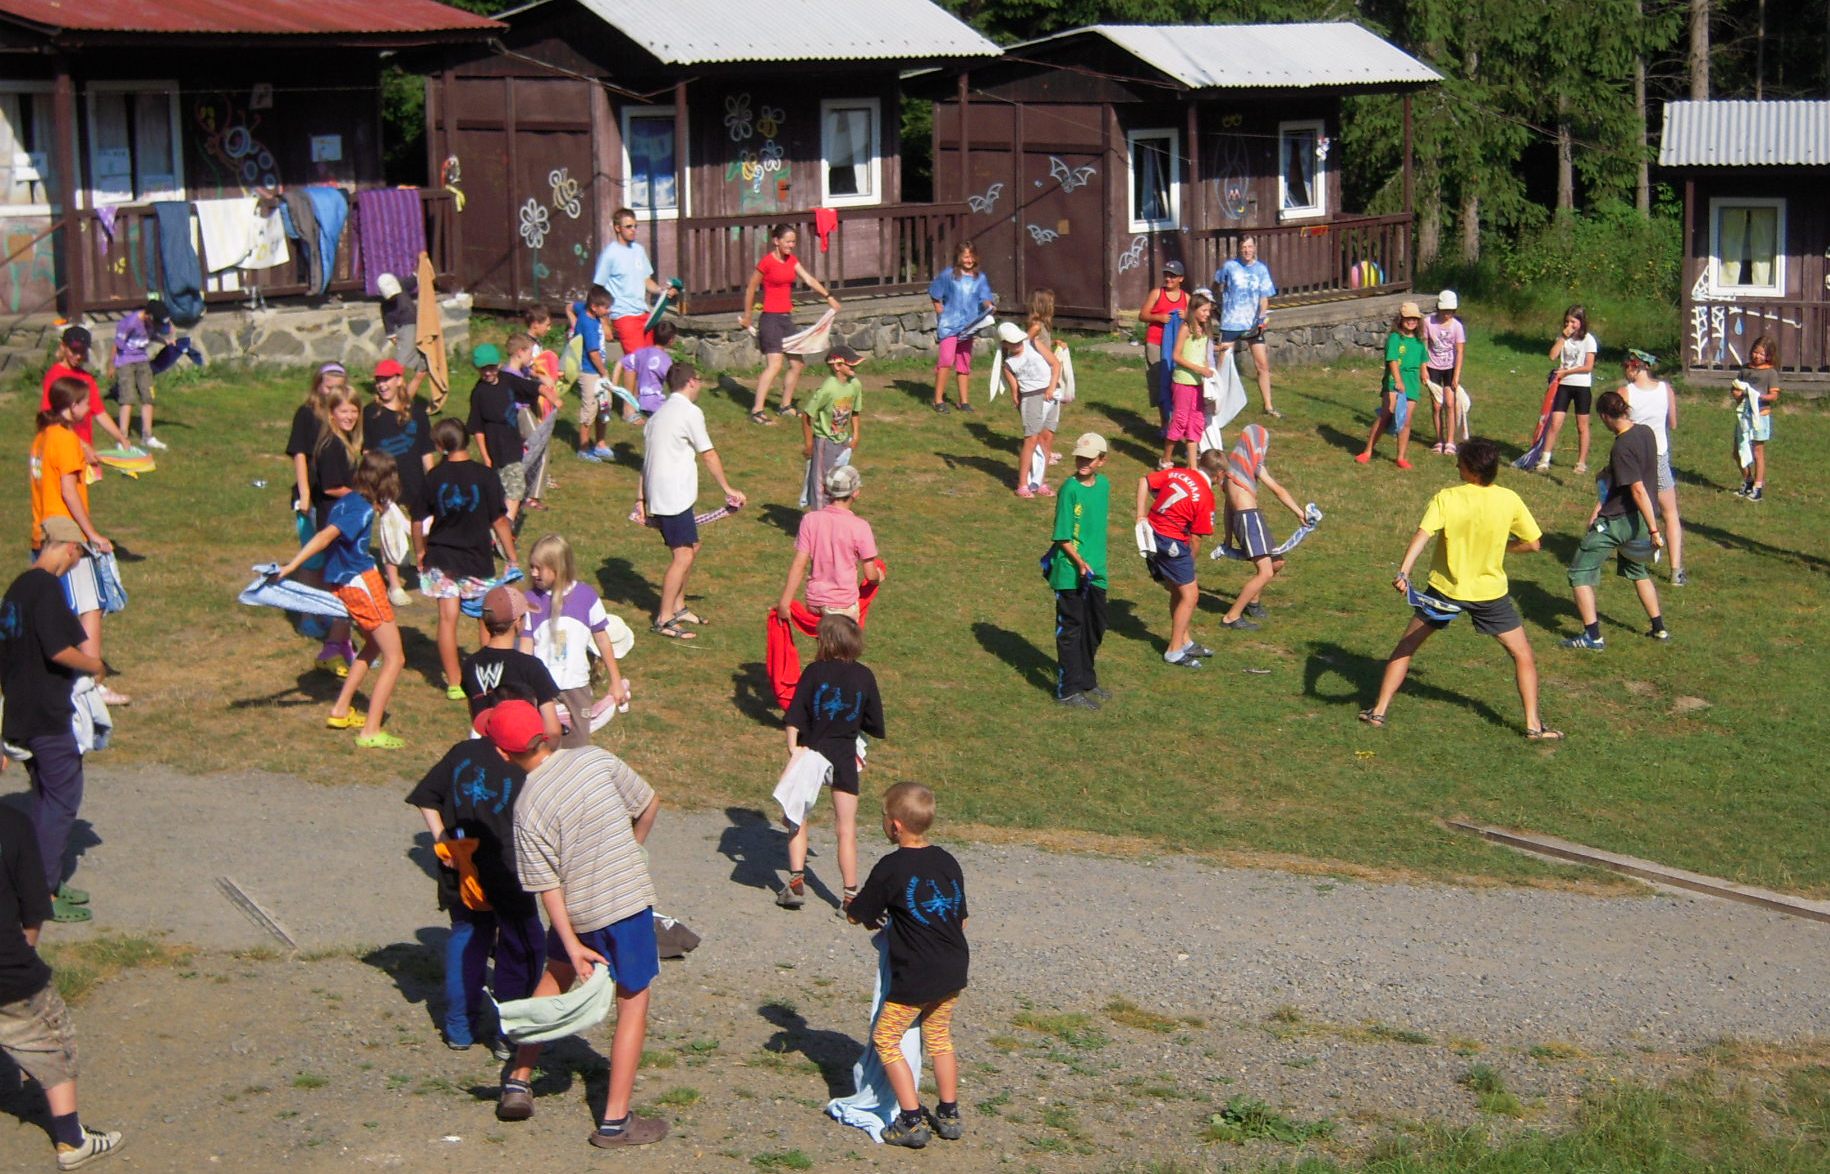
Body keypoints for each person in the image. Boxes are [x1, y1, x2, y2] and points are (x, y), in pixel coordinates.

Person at [492, 700, 667, 1148]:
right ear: (545, 731)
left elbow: (547, 885)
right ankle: (615, 1121)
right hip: (626, 904)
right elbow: (649, 803)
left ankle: (519, 1078)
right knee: (633, 1001)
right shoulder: (594, 759)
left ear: (503, 753)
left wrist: (570, 942)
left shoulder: (526, 807)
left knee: (555, 977)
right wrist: (633, 850)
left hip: (576, 911)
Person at [1356, 437, 1559, 739]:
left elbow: (1422, 534)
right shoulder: (1509, 500)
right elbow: (1533, 543)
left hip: (1444, 592)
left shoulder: (1447, 498)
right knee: (1523, 655)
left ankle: (1379, 712)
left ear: (1471, 470)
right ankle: (1533, 726)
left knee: (1406, 647)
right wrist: (1504, 547)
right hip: (1490, 595)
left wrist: (1404, 571)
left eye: (1460, 462)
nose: (1456, 465)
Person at [0, 801, 124, 1168]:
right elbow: (34, 906)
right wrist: (25, 955)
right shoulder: (13, 824)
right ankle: (72, 1140)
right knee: (54, 1041)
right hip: (8, 971)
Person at [846, 781, 969, 1149]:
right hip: (953, 966)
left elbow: (858, 914)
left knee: (886, 1038)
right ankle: (949, 1113)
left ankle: (910, 1120)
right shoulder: (947, 860)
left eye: (884, 817)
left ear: (895, 825)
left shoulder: (891, 867)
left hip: (917, 973)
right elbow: (961, 919)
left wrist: (855, 909)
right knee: (939, 1036)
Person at [407, 729, 544, 1055]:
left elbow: (426, 796)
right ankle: (510, 1033)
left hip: (461, 864)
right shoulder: (525, 761)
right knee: (521, 945)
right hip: (509, 869)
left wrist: (442, 838)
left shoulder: (462, 752)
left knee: (467, 935)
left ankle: (459, 1028)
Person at [1, 517, 107, 924]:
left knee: (45, 797)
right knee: (62, 799)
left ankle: (43, 880)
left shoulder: (18, 588)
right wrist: (95, 665)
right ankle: (40, 893)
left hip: (21, 710)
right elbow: (59, 650)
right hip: (47, 713)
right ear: (70, 549)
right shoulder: (47, 588)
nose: (76, 563)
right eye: (78, 556)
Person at [272, 451, 408, 749]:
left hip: (347, 581)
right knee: (395, 658)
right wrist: (291, 567)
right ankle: (371, 730)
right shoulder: (359, 509)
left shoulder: (347, 500)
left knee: (373, 645)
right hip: (361, 582)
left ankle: (340, 709)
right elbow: (325, 537)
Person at [778, 613, 885, 912]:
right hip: (844, 754)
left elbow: (796, 713)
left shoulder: (814, 672)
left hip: (812, 751)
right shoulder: (865, 676)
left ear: (825, 641)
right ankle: (850, 896)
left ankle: (796, 881)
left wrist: (793, 748)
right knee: (846, 827)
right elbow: (874, 722)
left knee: (797, 816)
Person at [31, 379, 127, 709]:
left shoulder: (43, 437)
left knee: (57, 608)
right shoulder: (65, 439)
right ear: (72, 406)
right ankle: (91, 683)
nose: (89, 409)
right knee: (89, 607)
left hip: (42, 532)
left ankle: (63, 677)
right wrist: (92, 534)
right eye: (85, 403)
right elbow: (69, 491)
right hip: (66, 538)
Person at [638, 363, 746, 640]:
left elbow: (646, 462)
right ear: (692, 382)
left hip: (663, 495)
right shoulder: (689, 412)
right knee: (683, 555)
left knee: (692, 547)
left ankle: (679, 607)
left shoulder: (657, 416)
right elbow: (708, 454)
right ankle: (664, 618)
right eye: (699, 380)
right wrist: (728, 488)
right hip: (673, 497)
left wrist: (641, 498)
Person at [417, 419, 518, 699]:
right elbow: (499, 520)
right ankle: (487, 679)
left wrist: (420, 551)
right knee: (485, 617)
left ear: (440, 445)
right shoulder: (485, 476)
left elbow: (417, 519)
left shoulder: (434, 477)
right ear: (467, 440)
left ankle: (453, 682)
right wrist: (512, 557)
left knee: (447, 618)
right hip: (476, 558)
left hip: (441, 557)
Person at [1561, 390, 1668, 650]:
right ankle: (1659, 629)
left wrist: (1655, 531)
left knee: (1579, 573)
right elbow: (1630, 474)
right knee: (1637, 571)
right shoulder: (1645, 432)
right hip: (1642, 518)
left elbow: (1637, 489)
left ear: (1604, 416)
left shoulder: (1621, 446)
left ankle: (1593, 637)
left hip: (1620, 520)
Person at [522, 534, 630, 748]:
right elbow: (526, 644)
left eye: (539, 568)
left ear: (558, 567)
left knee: (578, 744)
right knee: (541, 745)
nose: (533, 573)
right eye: (531, 567)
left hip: (576, 685)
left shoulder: (586, 596)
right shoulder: (530, 599)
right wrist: (523, 684)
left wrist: (616, 681)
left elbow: (602, 639)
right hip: (541, 686)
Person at [286, 364, 354, 674]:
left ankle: (328, 612)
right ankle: (308, 615)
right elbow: (300, 454)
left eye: (337, 387)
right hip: (312, 496)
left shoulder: (342, 416)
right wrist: (304, 493)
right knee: (312, 559)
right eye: (328, 387)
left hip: (335, 500)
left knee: (331, 561)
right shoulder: (307, 414)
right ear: (318, 386)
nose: (331, 392)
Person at [741, 224, 843, 424]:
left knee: (797, 364)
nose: (791, 245)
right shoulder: (767, 262)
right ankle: (757, 410)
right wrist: (747, 316)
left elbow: (809, 279)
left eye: (793, 242)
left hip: (785, 319)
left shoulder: (792, 261)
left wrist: (828, 297)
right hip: (770, 319)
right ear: (776, 241)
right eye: (787, 241)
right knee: (775, 365)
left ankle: (785, 406)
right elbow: (751, 288)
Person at [1215, 425, 1310, 632]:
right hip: (1248, 520)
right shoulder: (1235, 472)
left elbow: (1229, 508)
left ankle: (1253, 602)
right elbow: (1276, 491)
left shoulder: (1242, 469)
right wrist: (1299, 513)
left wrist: (1228, 538)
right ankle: (1231, 617)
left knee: (1277, 563)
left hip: (1251, 519)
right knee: (1265, 572)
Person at [1137, 450, 1224, 668]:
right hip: (1172, 542)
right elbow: (1196, 538)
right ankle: (1174, 650)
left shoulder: (1178, 473)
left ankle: (1185, 641)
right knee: (1191, 594)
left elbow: (1144, 481)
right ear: (1219, 475)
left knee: (1179, 590)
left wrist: (1140, 515)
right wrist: (1190, 564)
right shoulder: (1206, 496)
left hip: (1154, 533)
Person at [363, 358, 435, 607]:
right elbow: (367, 452)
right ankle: (394, 585)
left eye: (387, 379)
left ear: (399, 380)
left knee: (425, 528)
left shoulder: (417, 413)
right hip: (386, 481)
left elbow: (426, 450)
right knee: (390, 531)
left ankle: (426, 570)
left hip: (416, 480)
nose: (382, 385)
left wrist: (433, 481)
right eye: (379, 380)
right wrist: (371, 486)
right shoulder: (371, 413)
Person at [1048, 433, 1110, 710]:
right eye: (1080, 458)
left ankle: (1086, 680)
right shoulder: (1069, 489)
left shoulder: (1104, 485)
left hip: (1097, 571)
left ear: (1101, 460)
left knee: (1095, 626)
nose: (1083, 462)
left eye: (1089, 458)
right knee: (1072, 630)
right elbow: (1062, 536)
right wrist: (1080, 562)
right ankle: (1068, 691)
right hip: (1071, 572)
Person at [777, 465, 883, 624]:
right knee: (841, 641)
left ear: (826, 490)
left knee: (823, 640)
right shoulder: (860, 527)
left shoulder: (810, 520)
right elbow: (870, 574)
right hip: (842, 604)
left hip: (815, 602)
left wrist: (784, 603)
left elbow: (799, 564)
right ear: (855, 493)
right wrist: (878, 576)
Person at [462, 585, 563, 740]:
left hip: (485, 747)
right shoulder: (531, 666)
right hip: (522, 749)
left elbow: (475, 715)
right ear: (517, 621)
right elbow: (553, 730)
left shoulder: (470, 664)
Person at [1620, 350, 1685, 586]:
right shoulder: (1665, 389)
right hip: (1658, 456)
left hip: (1633, 457)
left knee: (1612, 502)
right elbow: (1673, 424)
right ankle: (1676, 570)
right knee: (1670, 513)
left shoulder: (1625, 392)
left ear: (1633, 367)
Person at [591, 207, 676, 362]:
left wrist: (662, 290)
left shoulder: (639, 250)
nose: (633, 230)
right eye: (628, 226)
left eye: (635, 226)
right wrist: (604, 322)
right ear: (618, 228)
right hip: (624, 315)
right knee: (637, 362)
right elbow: (598, 290)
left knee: (651, 360)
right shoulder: (610, 254)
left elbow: (646, 280)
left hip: (643, 313)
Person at [40, 326, 131, 459]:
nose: (78, 356)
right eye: (74, 350)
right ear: (63, 347)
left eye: (82, 351)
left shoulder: (87, 378)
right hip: (63, 447)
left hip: (85, 447)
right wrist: (82, 445)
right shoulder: (55, 376)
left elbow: (99, 412)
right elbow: (50, 417)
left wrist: (120, 437)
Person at [1355, 302, 1427, 468]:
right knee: (1386, 414)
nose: (1411, 321)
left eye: (1415, 319)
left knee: (1406, 420)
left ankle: (1401, 457)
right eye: (1408, 318)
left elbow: (1423, 359)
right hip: (1394, 381)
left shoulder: (1419, 341)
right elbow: (1392, 360)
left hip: (1412, 382)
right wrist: (1398, 381)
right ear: (1401, 319)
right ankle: (1367, 451)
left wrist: (1424, 372)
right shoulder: (1395, 338)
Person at [928, 241, 994, 413]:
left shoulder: (980, 278)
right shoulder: (948, 275)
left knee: (964, 362)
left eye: (972, 256)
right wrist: (938, 308)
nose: (969, 260)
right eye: (965, 256)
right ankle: (938, 400)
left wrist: (989, 306)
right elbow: (935, 292)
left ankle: (964, 402)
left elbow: (985, 297)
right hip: (949, 325)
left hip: (969, 326)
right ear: (958, 257)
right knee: (946, 360)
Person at [1215, 236, 1278, 417]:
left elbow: (1264, 298)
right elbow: (1216, 284)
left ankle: (1268, 406)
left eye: (1250, 247)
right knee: (1223, 365)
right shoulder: (1229, 267)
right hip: (1230, 322)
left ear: (1255, 248)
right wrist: (1217, 305)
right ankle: (1217, 405)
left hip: (1252, 325)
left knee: (1262, 365)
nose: (1247, 250)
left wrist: (1261, 317)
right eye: (1244, 247)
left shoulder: (1261, 269)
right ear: (1239, 249)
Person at [998, 321, 1061, 497]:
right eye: (1012, 342)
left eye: (1018, 340)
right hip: (1031, 398)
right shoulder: (1009, 364)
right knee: (1031, 439)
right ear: (1004, 344)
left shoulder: (1033, 344)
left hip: (1051, 394)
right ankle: (1023, 484)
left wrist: (1051, 387)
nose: (1017, 344)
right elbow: (1015, 390)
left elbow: (1055, 364)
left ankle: (1039, 481)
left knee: (1047, 439)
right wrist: (1018, 402)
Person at [799, 344, 864, 511]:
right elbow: (807, 415)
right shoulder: (828, 388)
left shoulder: (855, 385)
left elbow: (855, 412)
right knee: (821, 483)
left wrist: (856, 435)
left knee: (838, 482)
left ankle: (833, 515)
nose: (854, 368)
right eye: (850, 365)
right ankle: (819, 516)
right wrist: (809, 445)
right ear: (837, 366)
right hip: (825, 442)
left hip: (842, 441)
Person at [466, 344, 526, 523]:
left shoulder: (507, 381)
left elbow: (530, 387)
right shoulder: (478, 393)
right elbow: (477, 428)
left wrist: (549, 394)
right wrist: (485, 456)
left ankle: (506, 524)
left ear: (499, 365)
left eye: (491, 368)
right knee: (503, 490)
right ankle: (502, 526)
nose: (487, 373)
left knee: (514, 488)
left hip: (513, 447)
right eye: (483, 369)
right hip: (494, 450)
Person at [1536, 305, 1599, 474]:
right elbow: (1552, 356)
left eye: (1573, 322)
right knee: (1555, 422)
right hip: (1563, 385)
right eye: (1567, 322)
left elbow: (1588, 366)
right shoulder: (1563, 338)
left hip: (1582, 386)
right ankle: (1545, 458)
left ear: (1581, 322)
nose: (1569, 325)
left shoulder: (1589, 340)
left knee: (1582, 425)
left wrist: (1567, 372)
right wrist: (1563, 337)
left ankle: (1581, 462)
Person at [1162, 293, 1214, 471]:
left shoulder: (1204, 329)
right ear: (1194, 310)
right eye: (1204, 310)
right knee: (1180, 420)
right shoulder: (1186, 328)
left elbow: (1202, 354)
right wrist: (1198, 369)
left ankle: (1192, 466)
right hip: (1183, 382)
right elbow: (1176, 356)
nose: (1207, 314)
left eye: (1209, 310)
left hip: (1197, 383)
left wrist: (1207, 368)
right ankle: (1166, 459)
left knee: (1195, 421)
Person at [110, 302, 171, 450]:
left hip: (142, 360)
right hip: (125, 362)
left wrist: (165, 341)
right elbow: (116, 344)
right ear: (148, 316)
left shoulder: (151, 323)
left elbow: (152, 335)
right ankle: (122, 438)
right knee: (127, 398)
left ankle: (147, 437)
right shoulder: (129, 323)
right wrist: (111, 365)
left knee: (148, 396)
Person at [566, 286, 615, 461]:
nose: (608, 311)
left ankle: (600, 444)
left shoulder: (586, 310)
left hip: (599, 371)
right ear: (594, 307)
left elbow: (571, 306)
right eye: (605, 307)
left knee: (604, 405)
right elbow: (593, 354)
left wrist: (572, 320)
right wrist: (603, 372)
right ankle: (584, 448)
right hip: (589, 372)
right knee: (590, 409)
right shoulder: (588, 325)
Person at [1139, 260, 1189, 425]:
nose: (1168, 279)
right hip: (1155, 343)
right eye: (1166, 275)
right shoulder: (1156, 293)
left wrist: (1186, 316)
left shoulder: (1186, 298)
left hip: (1176, 345)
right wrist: (1158, 317)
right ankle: (1165, 423)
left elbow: (1195, 320)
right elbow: (1142, 315)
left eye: (1172, 276)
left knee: (1176, 380)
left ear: (1181, 278)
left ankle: (1177, 421)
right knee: (1158, 381)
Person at [1731, 334, 1779, 501]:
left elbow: (1774, 395)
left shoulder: (1770, 373)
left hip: (1760, 416)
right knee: (1738, 451)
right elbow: (1735, 388)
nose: (1757, 356)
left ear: (1768, 355)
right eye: (1755, 352)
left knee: (1758, 452)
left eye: (1761, 353)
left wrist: (1758, 397)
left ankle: (1758, 487)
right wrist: (1738, 394)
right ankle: (1748, 479)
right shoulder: (1745, 369)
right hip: (1744, 416)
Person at [1423, 290, 1466, 454]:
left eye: (1450, 311)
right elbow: (1424, 346)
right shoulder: (1428, 322)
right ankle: (1439, 439)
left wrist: (1456, 376)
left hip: (1450, 368)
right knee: (1436, 405)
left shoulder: (1457, 326)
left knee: (1450, 403)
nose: (1447, 314)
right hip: (1433, 366)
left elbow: (1460, 351)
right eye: (1444, 310)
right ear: (1438, 308)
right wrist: (1423, 369)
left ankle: (1450, 441)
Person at [376, 272, 428, 402]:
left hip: (418, 325)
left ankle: (403, 399)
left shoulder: (402, 285)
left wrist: (421, 268)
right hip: (404, 330)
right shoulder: (385, 305)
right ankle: (399, 398)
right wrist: (391, 335)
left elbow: (415, 278)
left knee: (405, 365)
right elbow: (388, 322)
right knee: (400, 365)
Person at [618, 319, 676, 418]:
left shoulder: (641, 352)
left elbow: (623, 362)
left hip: (640, 401)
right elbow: (672, 380)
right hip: (655, 403)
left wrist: (613, 385)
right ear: (671, 340)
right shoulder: (666, 360)